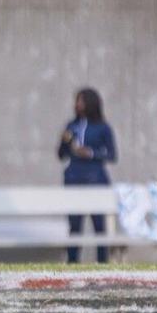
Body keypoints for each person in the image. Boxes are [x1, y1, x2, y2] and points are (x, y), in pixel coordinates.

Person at [57, 88, 116, 264]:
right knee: (74, 226)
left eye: (81, 101)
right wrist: (64, 142)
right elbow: (61, 155)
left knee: (99, 226)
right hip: (74, 180)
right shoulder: (71, 125)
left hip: (95, 180)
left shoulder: (103, 128)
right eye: (76, 101)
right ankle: (72, 262)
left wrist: (90, 153)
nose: (77, 105)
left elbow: (112, 155)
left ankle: (102, 263)